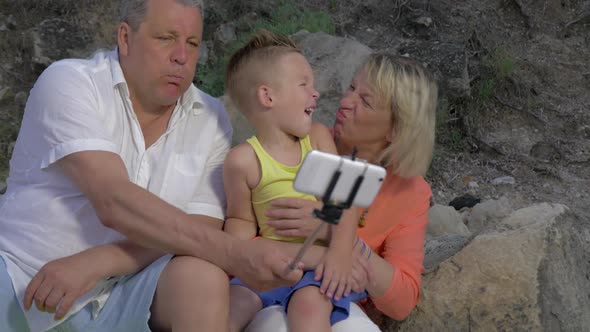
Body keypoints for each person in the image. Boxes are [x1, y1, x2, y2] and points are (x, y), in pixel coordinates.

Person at [0, 1, 303, 331]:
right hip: (23, 276)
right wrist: (236, 255)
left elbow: (201, 224)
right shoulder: (71, 82)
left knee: (202, 276)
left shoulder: (211, 117)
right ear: (126, 38)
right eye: (166, 38)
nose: (181, 57)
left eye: (192, 43)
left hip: (126, 288)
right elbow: (114, 199)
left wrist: (101, 261)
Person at [244, 53, 438, 331]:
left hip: (331, 301)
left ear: (397, 129)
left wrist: (335, 233)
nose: (346, 103)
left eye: (366, 101)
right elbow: (244, 241)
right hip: (266, 287)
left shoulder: (410, 192)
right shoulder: (297, 145)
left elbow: (402, 300)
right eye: (351, 88)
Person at [222, 30, 366, 332]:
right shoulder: (242, 160)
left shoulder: (317, 139)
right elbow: (240, 220)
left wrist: (339, 253)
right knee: (228, 309)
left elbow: (344, 200)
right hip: (267, 265)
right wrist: (235, 260)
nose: (315, 93)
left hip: (318, 268)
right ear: (267, 96)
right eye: (304, 85)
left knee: (308, 309)